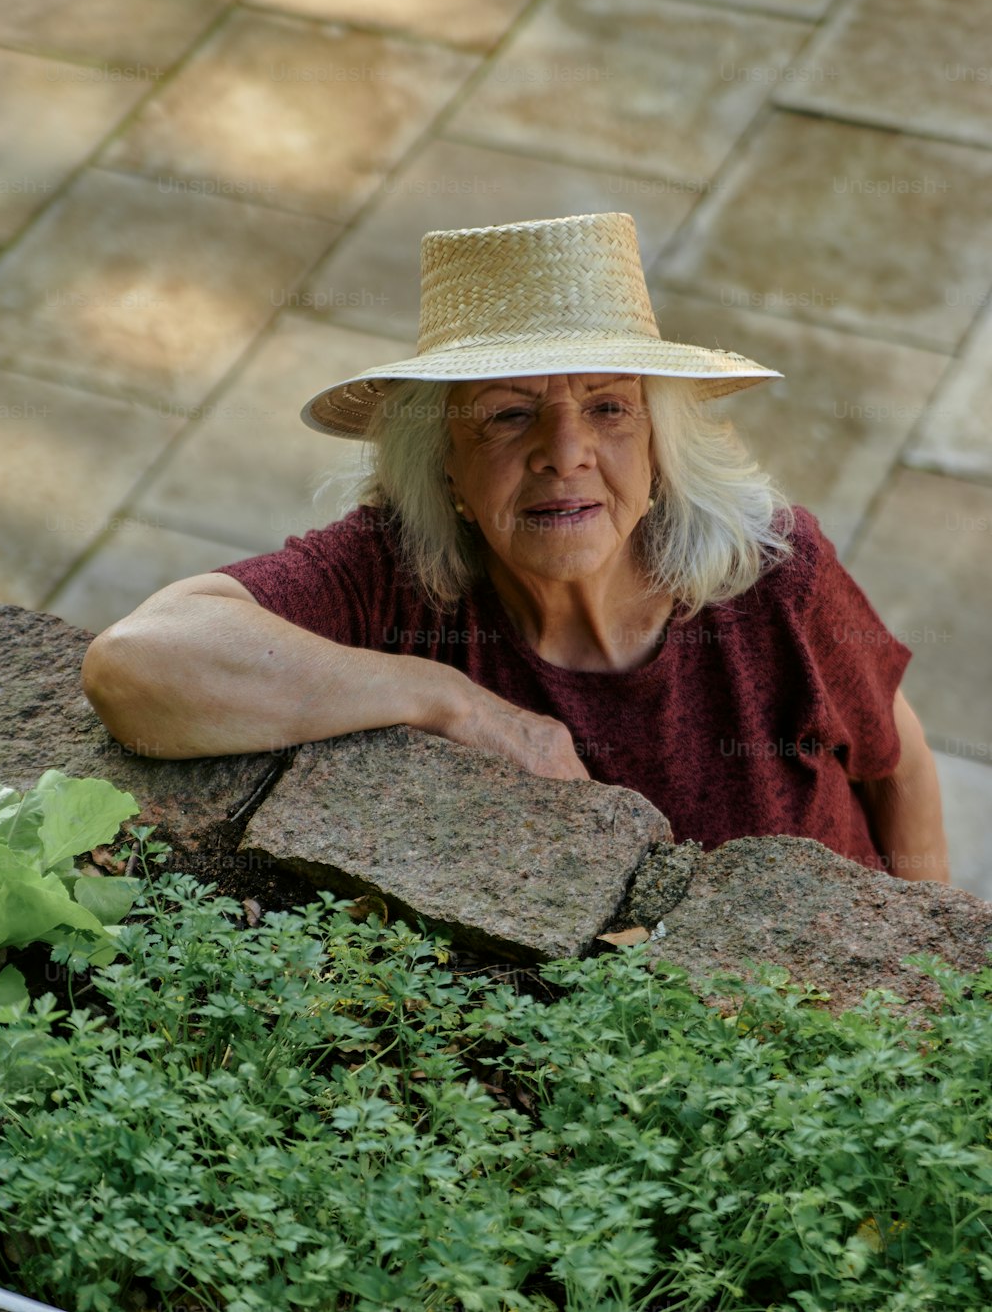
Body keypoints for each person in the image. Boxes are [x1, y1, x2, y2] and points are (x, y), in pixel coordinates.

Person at [81, 212, 950, 883]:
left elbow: (898, 760)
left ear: (657, 447)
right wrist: (453, 700)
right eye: (507, 413)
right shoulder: (397, 572)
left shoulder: (772, 576)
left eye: (609, 407)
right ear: (446, 465)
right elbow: (139, 662)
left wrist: (936, 986)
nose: (565, 451)